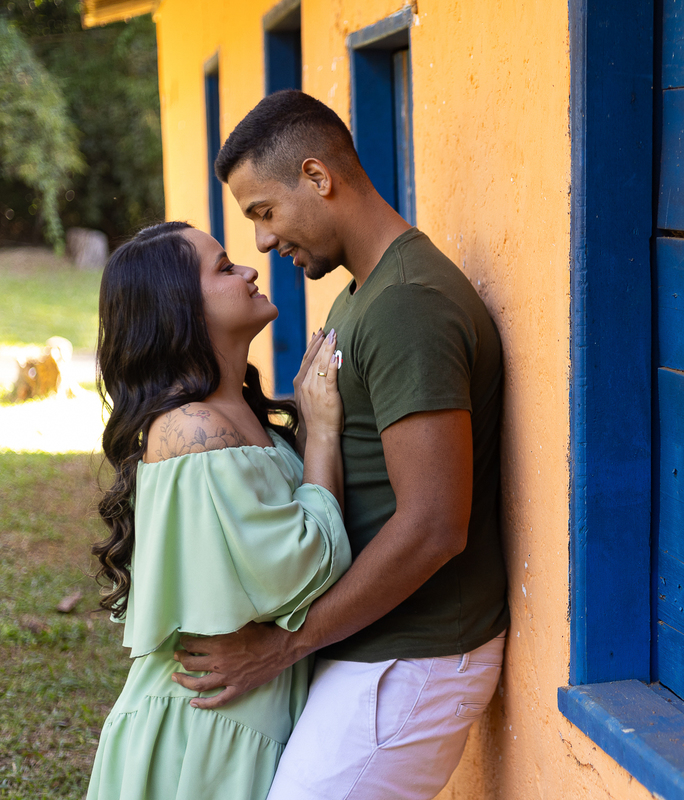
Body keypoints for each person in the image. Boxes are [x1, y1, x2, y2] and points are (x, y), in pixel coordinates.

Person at [172, 90, 510, 800]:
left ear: (318, 177)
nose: (262, 242)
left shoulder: (407, 305)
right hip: (372, 647)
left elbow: (433, 525)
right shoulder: (363, 296)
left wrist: (284, 647)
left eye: (264, 212)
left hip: (413, 658)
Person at [87, 221, 352, 800]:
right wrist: (325, 435)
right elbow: (301, 569)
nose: (251, 269)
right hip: (203, 731)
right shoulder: (194, 430)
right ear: (180, 308)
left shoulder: (234, 417)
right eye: (225, 268)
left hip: (238, 714)